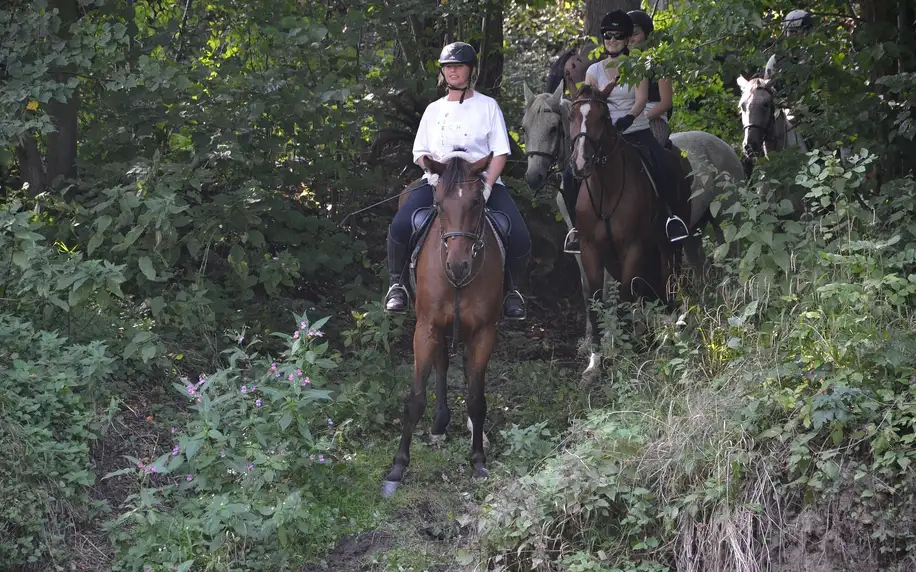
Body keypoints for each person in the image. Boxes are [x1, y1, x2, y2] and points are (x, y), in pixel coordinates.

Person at [384, 42, 531, 320]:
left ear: (470, 70)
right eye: (448, 66)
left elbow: (500, 152)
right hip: (440, 182)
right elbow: (420, 152)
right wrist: (434, 173)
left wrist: (487, 187)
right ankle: (397, 285)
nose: (453, 71)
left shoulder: (488, 106)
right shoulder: (433, 110)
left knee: (519, 233)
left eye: (459, 66)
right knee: (401, 224)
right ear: (443, 72)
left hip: (479, 182)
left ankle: (513, 292)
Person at [561, 10, 688, 254]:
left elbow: (640, 100)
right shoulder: (594, 70)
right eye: (608, 36)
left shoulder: (637, 66)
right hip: (604, 134)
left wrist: (628, 119)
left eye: (618, 36)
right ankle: (576, 228)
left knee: (662, 163)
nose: (612, 40)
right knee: (570, 174)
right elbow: (589, 101)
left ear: (626, 38)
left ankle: (672, 218)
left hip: (635, 129)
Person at [628, 9, 673, 147]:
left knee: (651, 151)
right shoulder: (621, 64)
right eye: (627, 35)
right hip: (626, 120)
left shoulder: (660, 63)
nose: (631, 39)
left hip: (654, 120)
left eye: (635, 34)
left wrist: (640, 120)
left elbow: (665, 103)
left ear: (647, 35)